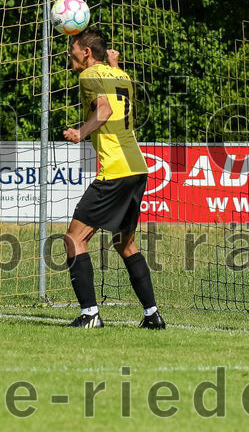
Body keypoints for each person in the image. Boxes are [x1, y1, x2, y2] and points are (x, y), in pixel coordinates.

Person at [61, 27, 163, 329]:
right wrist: (115, 64)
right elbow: (115, 95)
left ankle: (90, 314)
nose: (70, 54)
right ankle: (152, 315)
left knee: (73, 239)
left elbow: (104, 110)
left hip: (115, 170)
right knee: (125, 243)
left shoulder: (88, 76)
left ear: (87, 53)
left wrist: (81, 132)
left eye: (74, 49)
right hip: (137, 168)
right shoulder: (121, 76)